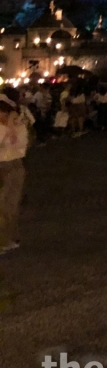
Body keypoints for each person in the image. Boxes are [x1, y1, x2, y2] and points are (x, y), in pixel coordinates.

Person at [0, 94, 30, 254]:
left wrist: (11, 126)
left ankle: (6, 239)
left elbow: (19, 146)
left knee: (8, 205)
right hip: (7, 166)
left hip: (12, 166)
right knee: (5, 205)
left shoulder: (18, 126)